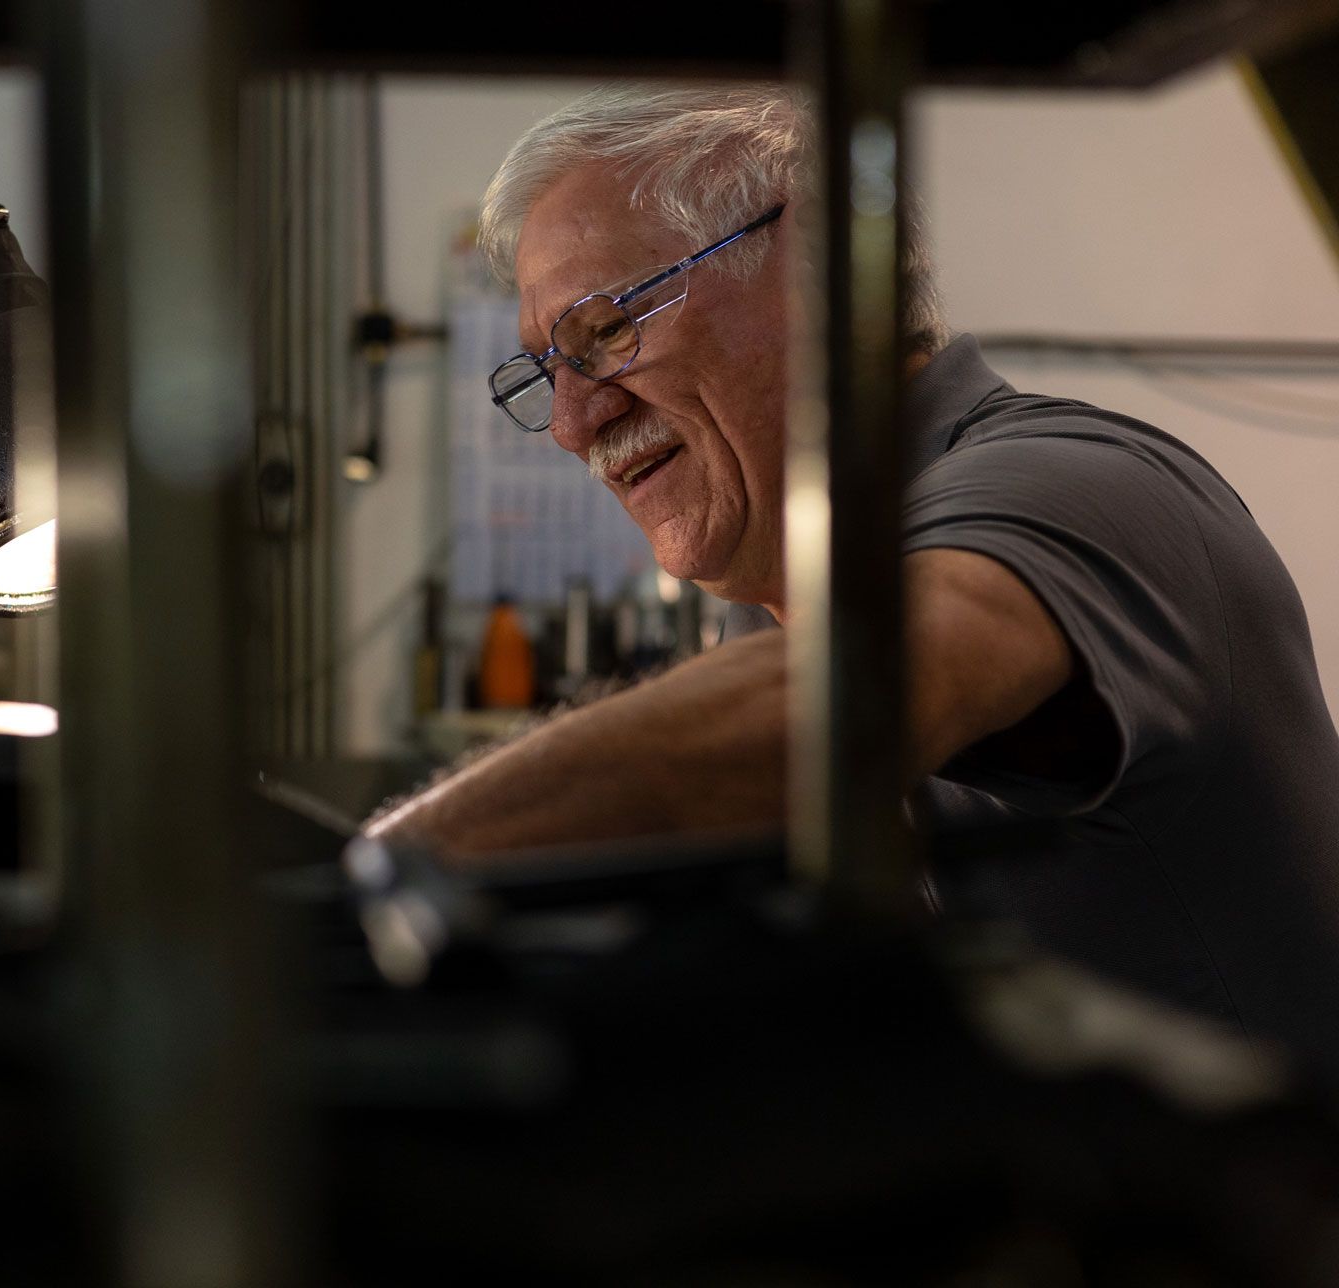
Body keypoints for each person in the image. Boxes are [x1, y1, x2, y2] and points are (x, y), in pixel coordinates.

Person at [365, 85, 1339, 1068]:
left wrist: (381, 878)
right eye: (544, 373)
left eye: (607, 330)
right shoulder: (765, 611)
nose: (574, 425)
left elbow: (837, 701)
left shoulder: (1081, 488)